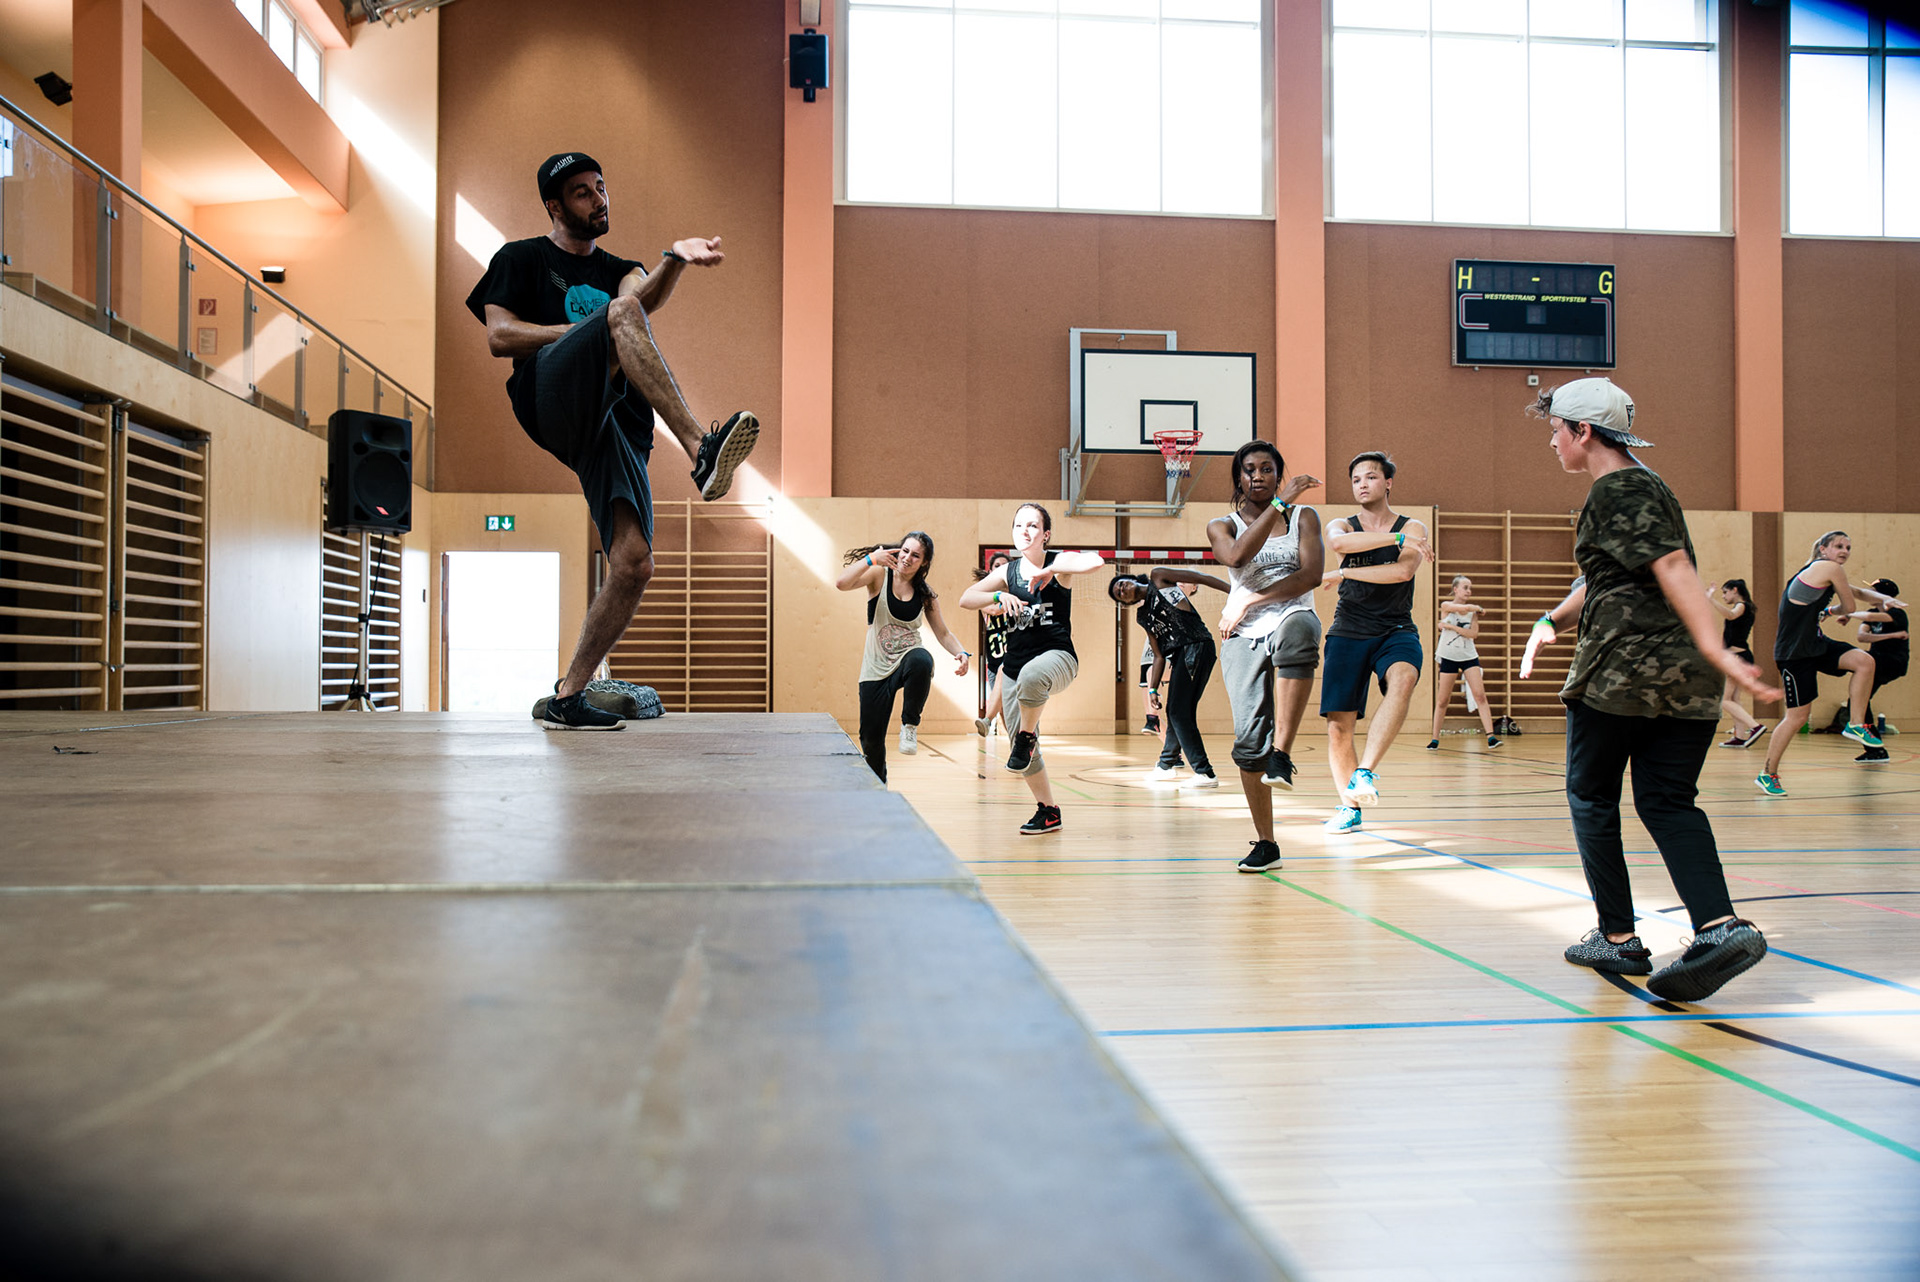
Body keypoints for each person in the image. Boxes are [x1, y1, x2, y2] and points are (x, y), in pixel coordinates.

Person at [467, 152, 760, 730]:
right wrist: (589, 327)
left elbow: (640, 298)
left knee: (632, 563)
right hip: (551, 394)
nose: (599, 199)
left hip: (615, 424)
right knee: (618, 314)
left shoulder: (620, 268)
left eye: (601, 187)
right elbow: (500, 336)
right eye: (583, 192)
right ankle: (700, 449)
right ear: (554, 206)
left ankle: (568, 695)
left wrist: (674, 260)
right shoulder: (520, 258)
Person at [1523, 378, 1777, 1001]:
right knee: (1667, 801)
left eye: (1556, 430)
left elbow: (1672, 566)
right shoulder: (1650, 485)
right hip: (1684, 681)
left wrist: (1718, 644)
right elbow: (1607, 578)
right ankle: (1718, 929)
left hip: (1623, 673)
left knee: (1591, 797)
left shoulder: (1616, 487)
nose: (1552, 442)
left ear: (1583, 431)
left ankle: (1617, 937)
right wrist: (1549, 622)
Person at [1207, 442, 1324, 873]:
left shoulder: (1304, 517)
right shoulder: (1222, 525)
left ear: (1278, 474)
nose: (1257, 475)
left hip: (1291, 611)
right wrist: (1278, 504)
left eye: (1267, 469)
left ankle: (1283, 753)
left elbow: (1311, 575)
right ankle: (1266, 843)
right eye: (1249, 469)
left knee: (1299, 635)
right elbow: (1237, 556)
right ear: (1239, 478)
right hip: (1242, 631)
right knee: (1248, 744)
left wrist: (1250, 599)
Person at [960, 505, 1105, 835]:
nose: (1024, 531)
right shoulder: (1008, 572)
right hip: (1014, 668)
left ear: (1045, 534)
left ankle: (1027, 736)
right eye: (1018, 525)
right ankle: (1049, 810)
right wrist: (998, 596)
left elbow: (1095, 561)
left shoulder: (1058, 563)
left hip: (1058, 657)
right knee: (1024, 752)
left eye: (1032, 525)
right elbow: (966, 599)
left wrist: (1053, 569)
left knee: (1032, 681)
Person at [1317, 452, 1435, 834]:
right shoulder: (1344, 524)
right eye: (1355, 479)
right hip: (1348, 629)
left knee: (1404, 678)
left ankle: (1364, 772)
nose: (1362, 484)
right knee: (1339, 726)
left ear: (1388, 483)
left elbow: (1402, 572)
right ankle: (1349, 808)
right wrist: (1396, 539)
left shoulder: (1414, 525)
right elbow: (1340, 543)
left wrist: (1345, 574)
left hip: (1395, 628)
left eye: (1370, 477)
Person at [1756, 532, 1903, 794]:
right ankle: (1767, 774)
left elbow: (1857, 592)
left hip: (1816, 645)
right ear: (1823, 549)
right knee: (1797, 717)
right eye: (1839, 546)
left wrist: (1885, 599)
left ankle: (1856, 724)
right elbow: (1850, 604)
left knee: (1864, 662)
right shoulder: (1829, 567)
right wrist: (1835, 611)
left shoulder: (1824, 571)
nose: (1845, 551)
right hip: (1794, 654)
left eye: (1848, 547)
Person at [836, 533, 970, 783]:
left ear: (924, 563)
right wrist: (871, 559)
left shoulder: (925, 594)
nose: (907, 558)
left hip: (906, 659)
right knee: (870, 740)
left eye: (915, 555)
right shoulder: (879, 575)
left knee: (922, 660)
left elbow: (943, 633)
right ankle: (879, 787)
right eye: (905, 551)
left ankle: (909, 726)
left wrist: (960, 652)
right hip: (876, 668)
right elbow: (841, 583)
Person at [1110, 567, 1230, 788]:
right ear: (1125, 602)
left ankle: (1205, 773)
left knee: (1178, 712)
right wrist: (1153, 689)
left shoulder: (1159, 577)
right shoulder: (1142, 616)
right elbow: (1158, 656)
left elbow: (1200, 577)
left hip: (1196, 645)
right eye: (1119, 593)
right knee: (1176, 711)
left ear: (1130, 579)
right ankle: (1166, 766)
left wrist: (1233, 592)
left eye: (1121, 584)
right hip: (1180, 655)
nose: (1122, 589)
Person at [1427, 575, 1501, 750]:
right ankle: (1435, 739)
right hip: (1449, 656)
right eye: (1465, 587)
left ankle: (1491, 737)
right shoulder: (1446, 606)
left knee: (1480, 696)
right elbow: (1464, 608)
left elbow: (1473, 634)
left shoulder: (1472, 613)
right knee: (1443, 700)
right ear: (1456, 589)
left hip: (1469, 656)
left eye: (1470, 588)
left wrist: (1451, 627)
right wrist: (1477, 608)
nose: (1469, 591)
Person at [1706, 579, 1766, 748]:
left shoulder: (1742, 606)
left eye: (1725, 592)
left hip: (1739, 658)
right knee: (1734, 698)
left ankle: (1755, 727)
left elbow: (1731, 615)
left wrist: (1711, 600)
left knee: (1724, 700)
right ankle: (1739, 736)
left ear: (1735, 590)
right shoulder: (1743, 607)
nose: (1724, 596)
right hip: (1739, 657)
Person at [1855, 577, 1908, 755]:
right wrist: (1891, 635)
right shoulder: (1871, 612)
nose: (1868, 594)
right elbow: (1861, 637)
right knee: (1858, 701)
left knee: (1859, 697)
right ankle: (1874, 749)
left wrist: (1844, 613)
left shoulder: (1897, 613)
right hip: (1876, 661)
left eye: (1873, 591)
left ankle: (1875, 748)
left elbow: (1869, 618)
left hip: (1892, 661)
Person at [974, 552, 1012, 737]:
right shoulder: (985, 596)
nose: (1001, 568)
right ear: (991, 571)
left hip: (1013, 656)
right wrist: (1012, 601)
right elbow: (993, 610)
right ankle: (1017, 743)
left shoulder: (1016, 592)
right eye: (997, 565)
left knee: (1016, 704)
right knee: (1003, 708)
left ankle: (988, 720)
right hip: (994, 659)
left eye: (1005, 565)